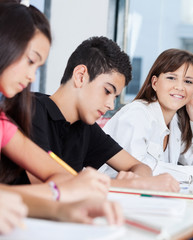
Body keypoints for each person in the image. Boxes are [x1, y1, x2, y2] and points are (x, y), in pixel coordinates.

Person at [0, 2, 122, 234]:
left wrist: (60, 208)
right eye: (30, 60)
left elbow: (59, 175)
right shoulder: (36, 109)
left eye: (38, 67)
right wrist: (59, 194)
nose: (31, 76)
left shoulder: (3, 124)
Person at [29, 36, 179, 192]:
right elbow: (46, 182)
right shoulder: (31, 108)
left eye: (115, 97)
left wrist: (138, 177)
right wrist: (132, 184)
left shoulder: (84, 126)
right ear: (80, 76)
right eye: (107, 91)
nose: (110, 104)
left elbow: (139, 166)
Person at [101, 49, 193, 182]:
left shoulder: (176, 122)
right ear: (155, 83)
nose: (180, 87)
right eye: (171, 78)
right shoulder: (137, 114)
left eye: (188, 81)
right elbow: (140, 170)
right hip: (105, 198)